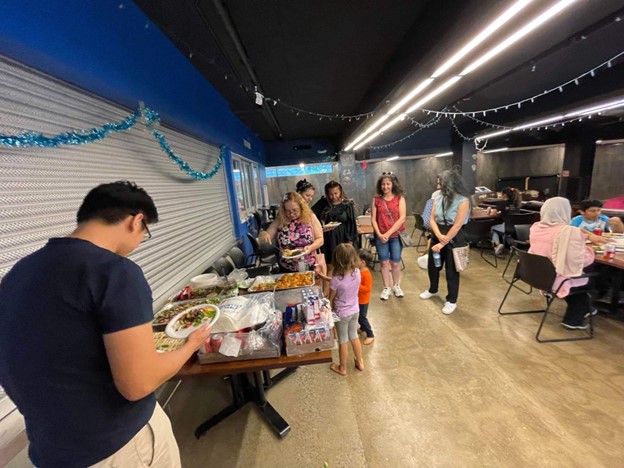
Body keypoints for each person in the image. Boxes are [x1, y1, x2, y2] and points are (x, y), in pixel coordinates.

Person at [0, 181, 211, 467]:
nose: (138, 244)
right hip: (119, 445)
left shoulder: (19, 272)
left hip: (50, 450)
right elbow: (139, 383)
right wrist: (192, 345)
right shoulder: (113, 271)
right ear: (136, 221)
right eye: (144, 233)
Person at [529, 197, 608, 329]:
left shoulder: (536, 227)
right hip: (558, 279)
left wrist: (586, 237)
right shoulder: (568, 232)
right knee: (592, 275)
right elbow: (581, 260)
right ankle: (573, 319)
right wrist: (590, 250)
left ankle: (587, 308)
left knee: (579, 273)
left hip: (538, 275)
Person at [420, 170, 470, 315]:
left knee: (451, 271)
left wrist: (444, 241)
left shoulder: (463, 201)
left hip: (454, 238)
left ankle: (451, 301)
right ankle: (432, 289)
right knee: (433, 266)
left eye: (440, 182)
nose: (438, 185)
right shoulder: (438, 198)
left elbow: (457, 225)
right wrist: (437, 235)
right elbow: (431, 219)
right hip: (438, 234)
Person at [319, 243, 364, 376]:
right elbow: (342, 282)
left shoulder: (336, 280)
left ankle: (342, 368)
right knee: (354, 336)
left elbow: (331, 297)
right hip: (355, 309)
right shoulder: (357, 272)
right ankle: (360, 362)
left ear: (337, 259)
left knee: (343, 339)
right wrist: (323, 276)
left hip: (342, 314)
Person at [259, 192, 324, 272]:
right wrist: (264, 234)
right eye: (288, 211)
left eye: (295, 210)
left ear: (301, 207)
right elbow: (267, 234)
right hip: (286, 267)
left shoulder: (310, 217)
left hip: (308, 264)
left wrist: (310, 248)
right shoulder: (280, 220)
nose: (292, 214)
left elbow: (320, 239)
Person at [371, 172, 407, 300]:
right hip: (381, 237)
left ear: (393, 184)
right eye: (383, 184)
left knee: (395, 263)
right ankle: (387, 287)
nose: (385, 187)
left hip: (395, 236)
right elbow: (373, 219)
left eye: (388, 184)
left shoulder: (399, 198)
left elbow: (402, 218)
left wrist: (387, 233)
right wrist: (380, 234)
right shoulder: (376, 199)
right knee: (384, 262)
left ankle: (396, 285)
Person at [312, 180, 358, 268]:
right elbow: (311, 215)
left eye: (336, 193)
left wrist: (350, 241)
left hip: (343, 237)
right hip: (328, 238)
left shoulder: (347, 204)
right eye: (330, 194)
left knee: (344, 263)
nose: (333, 196)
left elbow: (351, 224)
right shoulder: (323, 203)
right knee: (330, 264)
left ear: (340, 191)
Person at [491, 187, 523, 256]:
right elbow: (510, 213)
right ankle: (512, 243)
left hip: (507, 226)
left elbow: (492, 213)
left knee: (493, 228)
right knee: (505, 233)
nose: (500, 196)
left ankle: (497, 245)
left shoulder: (502, 203)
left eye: (501, 194)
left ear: (504, 195)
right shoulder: (517, 204)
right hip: (517, 228)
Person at [357, 249, 375, 345]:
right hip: (358, 299)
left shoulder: (366, 274)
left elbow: (367, 289)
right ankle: (363, 328)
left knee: (361, 317)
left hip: (363, 300)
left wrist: (356, 285)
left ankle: (370, 334)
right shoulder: (359, 270)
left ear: (362, 262)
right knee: (360, 316)